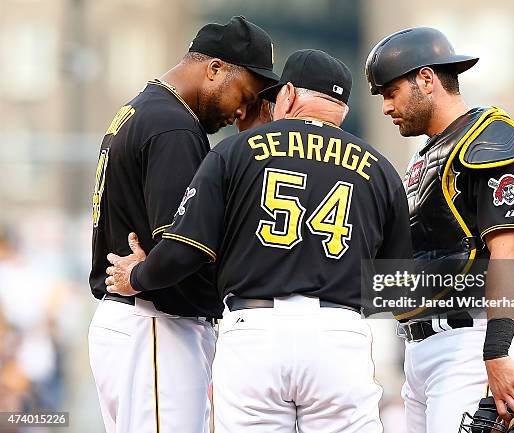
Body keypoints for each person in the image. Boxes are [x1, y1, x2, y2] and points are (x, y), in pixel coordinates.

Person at [104, 49, 412, 433]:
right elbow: (398, 286)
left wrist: (138, 277)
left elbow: (187, 248)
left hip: (255, 330)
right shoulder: (380, 169)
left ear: (287, 96)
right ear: (342, 110)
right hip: (339, 334)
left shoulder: (234, 152)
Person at [88, 16, 278, 433]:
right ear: (214, 69)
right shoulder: (173, 125)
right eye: (244, 94)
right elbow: (182, 245)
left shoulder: (145, 108)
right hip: (156, 323)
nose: (241, 111)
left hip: (139, 321)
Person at [365, 27, 514, 433]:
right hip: (422, 348)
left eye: (391, 92)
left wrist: (497, 351)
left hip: (471, 344)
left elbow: (512, 250)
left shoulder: (491, 139)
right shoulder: (427, 154)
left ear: (426, 79)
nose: (386, 107)